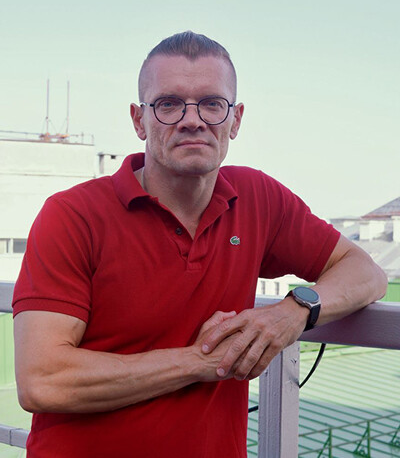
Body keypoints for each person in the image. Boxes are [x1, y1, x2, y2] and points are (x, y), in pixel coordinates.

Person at [13, 31, 387, 458]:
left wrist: (291, 313)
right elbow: (43, 381)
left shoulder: (258, 198)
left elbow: (366, 273)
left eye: (211, 103)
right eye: (169, 104)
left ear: (236, 119)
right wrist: (203, 361)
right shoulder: (73, 214)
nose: (192, 120)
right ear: (139, 120)